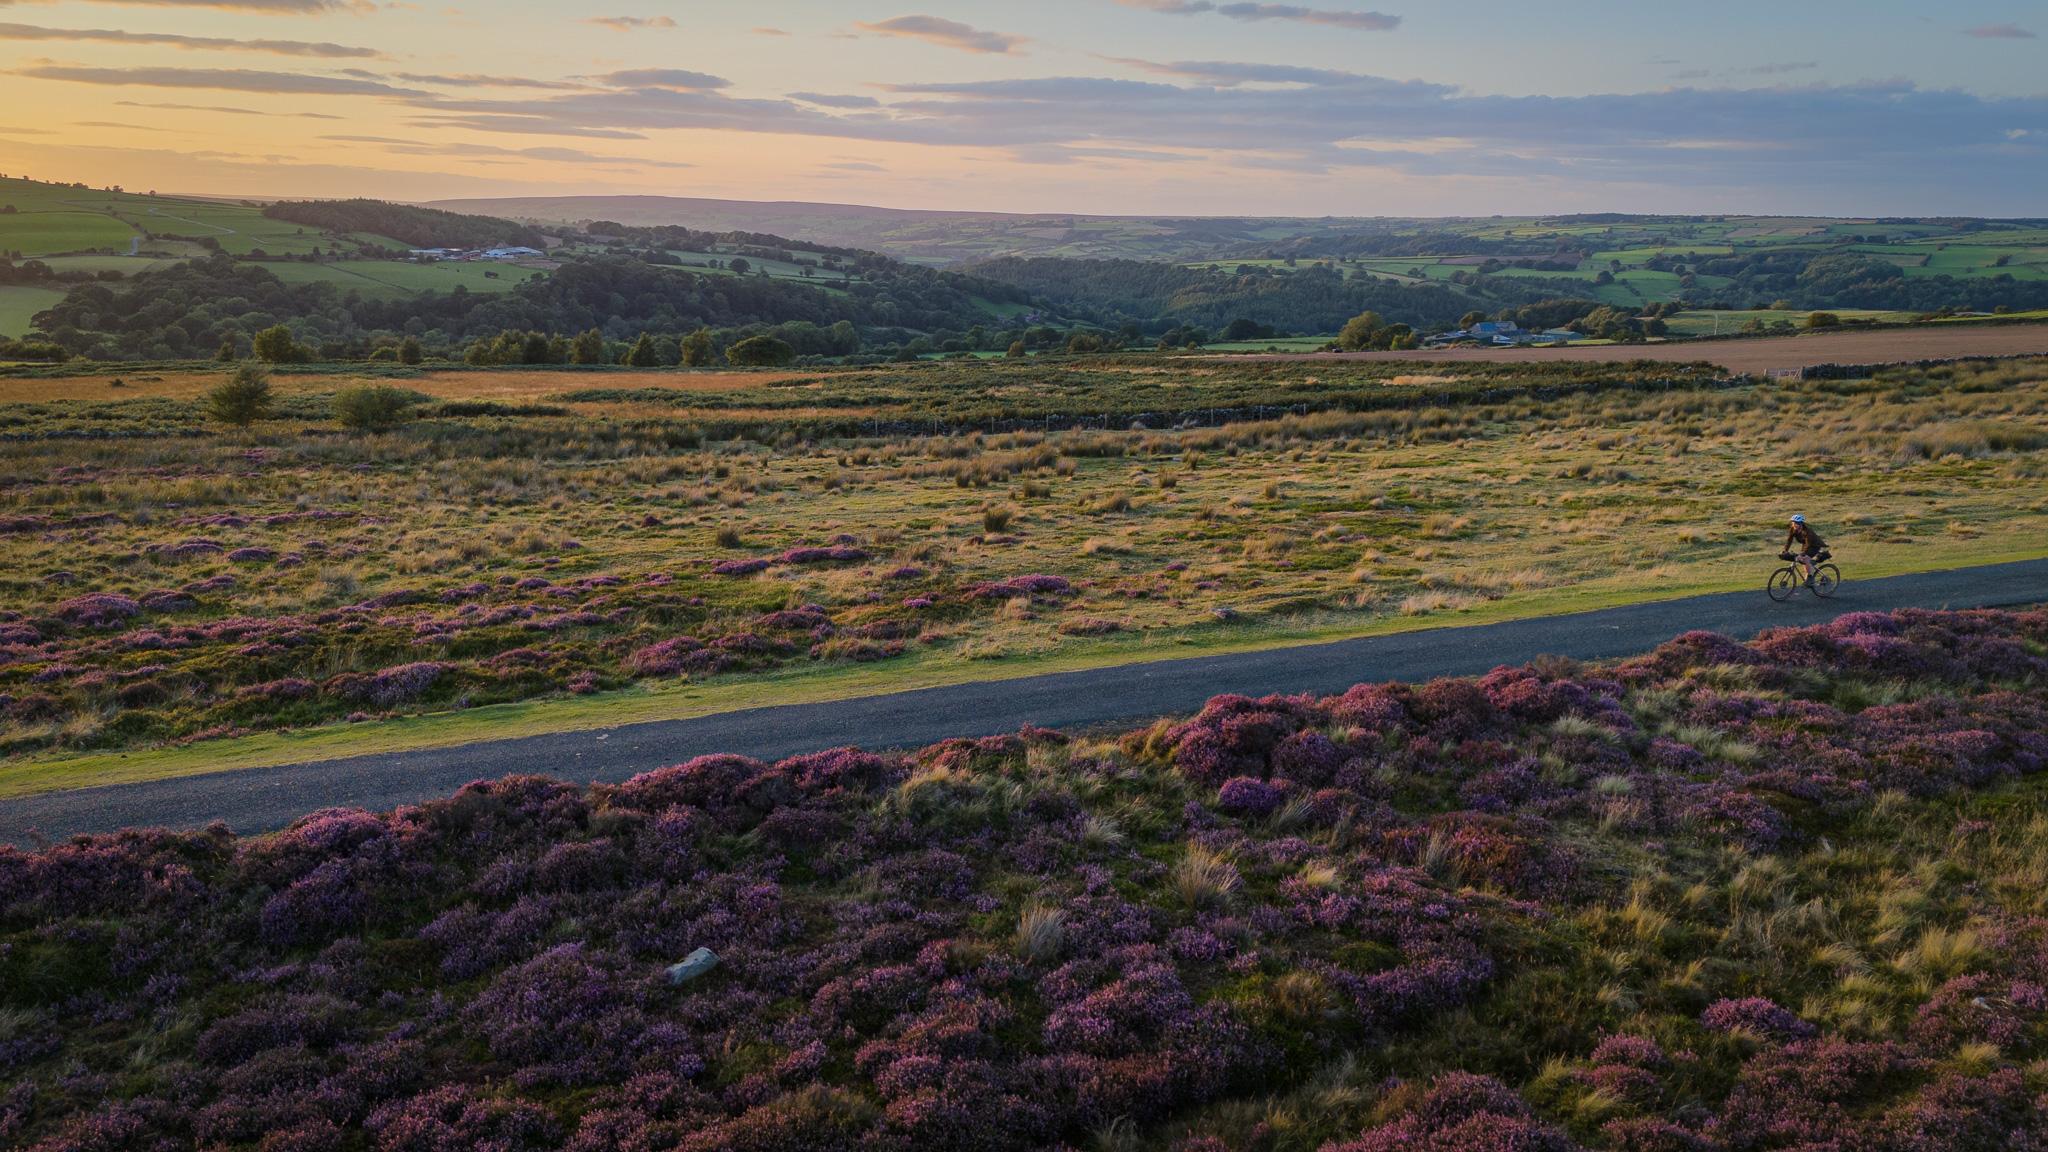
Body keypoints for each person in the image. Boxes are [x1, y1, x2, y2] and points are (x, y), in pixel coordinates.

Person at [1782, 514, 1828, 584]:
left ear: (1801, 524)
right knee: (1803, 560)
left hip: (1815, 545)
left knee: (1805, 558)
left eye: (1796, 523)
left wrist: (1802, 554)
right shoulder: (1792, 529)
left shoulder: (1807, 532)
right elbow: (1789, 540)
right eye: (1793, 523)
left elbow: (1808, 544)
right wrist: (1785, 550)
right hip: (1806, 544)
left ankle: (1810, 578)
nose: (1794, 525)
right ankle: (1808, 573)